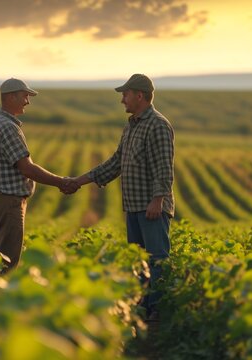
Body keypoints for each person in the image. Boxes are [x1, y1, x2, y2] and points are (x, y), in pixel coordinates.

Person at [73, 74, 175, 322]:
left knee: (156, 260)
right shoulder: (132, 125)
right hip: (134, 206)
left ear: (139, 95)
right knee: (138, 261)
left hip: (151, 207)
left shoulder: (158, 125)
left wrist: (157, 200)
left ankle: (156, 314)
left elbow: (164, 167)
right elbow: (116, 162)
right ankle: (142, 308)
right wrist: (79, 181)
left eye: (125, 94)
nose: (122, 100)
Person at [0, 78, 79, 272]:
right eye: (25, 96)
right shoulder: (8, 127)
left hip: (3, 201)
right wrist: (61, 182)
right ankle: (2, 300)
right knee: (7, 264)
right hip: (9, 202)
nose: (28, 101)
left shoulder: (0, 123)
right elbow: (27, 168)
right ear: (11, 97)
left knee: (0, 261)